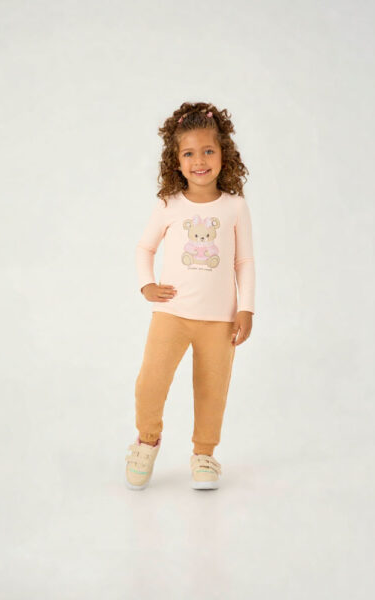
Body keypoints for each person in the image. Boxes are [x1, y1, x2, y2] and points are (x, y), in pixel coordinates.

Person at [125, 101, 256, 491]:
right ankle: (147, 441)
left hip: (220, 320)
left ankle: (204, 454)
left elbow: (244, 261)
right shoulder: (169, 204)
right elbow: (144, 248)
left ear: (223, 154)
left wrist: (246, 307)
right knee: (151, 381)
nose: (199, 161)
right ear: (176, 161)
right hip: (172, 313)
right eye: (189, 153)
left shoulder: (235, 207)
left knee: (213, 389)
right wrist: (147, 284)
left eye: (208, 150)